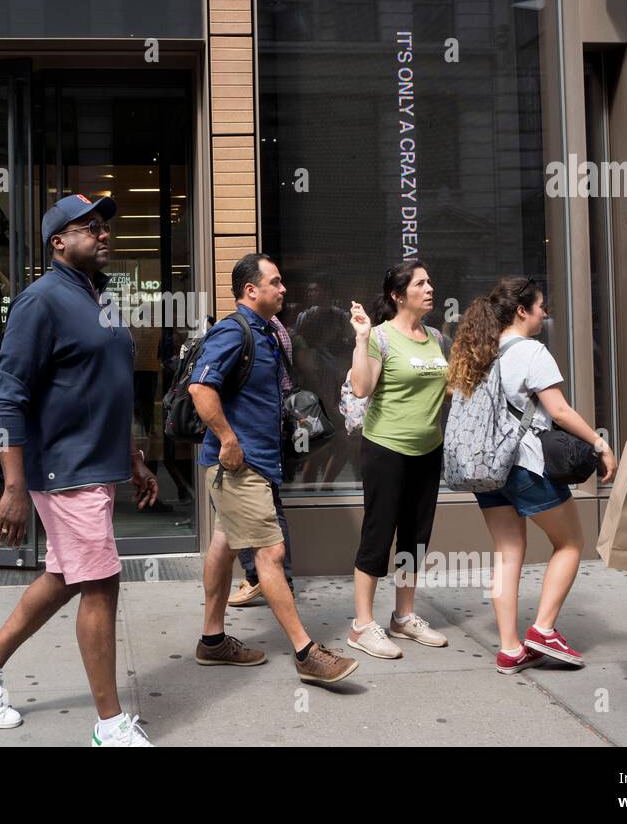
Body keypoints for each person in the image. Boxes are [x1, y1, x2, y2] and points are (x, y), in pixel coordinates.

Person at [0, 194, 160, 747]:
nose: (103, 233)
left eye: (105, 225)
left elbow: (108, 390)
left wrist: (133, 455)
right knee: (102, 582)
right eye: (89, 227)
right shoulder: (39, 302)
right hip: (66, 468)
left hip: (97, 463)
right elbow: (8, 398)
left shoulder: (101, 298)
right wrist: (13, 486)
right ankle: (110, 726)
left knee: (67, 576)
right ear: (58, 241)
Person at [191, 253, 358, 685]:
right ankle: (306, 652)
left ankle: (212, 642)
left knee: (225, 544)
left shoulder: (267, 332)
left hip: (257, 463)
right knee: (271, 552)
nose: (284, 289)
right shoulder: (233, 332)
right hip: (239, 463)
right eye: (276, 282)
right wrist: (228, 441)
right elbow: (200, 388)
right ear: (252, 290)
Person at [447, 277, 616, 675]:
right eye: (541, 306)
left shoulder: (478, 352)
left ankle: (509, 649)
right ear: (522, 311)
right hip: (525, 465)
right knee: (571, 542)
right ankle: (542, 629)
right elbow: (559, 411)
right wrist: (599, 443)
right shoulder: (531, 352)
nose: (546, 313)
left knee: (508, 554)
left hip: (487, 469)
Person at [345, 261, 449, 659]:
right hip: (386, 450)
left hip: (428, 450)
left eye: (429, 280)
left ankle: (403, 616)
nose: (429, 287)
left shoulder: (436, 338)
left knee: (415, 537)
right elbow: (360, 387)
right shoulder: (380, 338)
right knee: (378, 534)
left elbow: (448, 387)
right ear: (397, 294)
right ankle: (361, 625)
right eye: (420, 283)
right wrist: (360, 338)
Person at [229, 313, 296, 606]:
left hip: (256, 431)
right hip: (269, 428)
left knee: (255, 504)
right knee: (263, 504)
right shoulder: (274, 328)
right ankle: (277, 579)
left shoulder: (262, 329)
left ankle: (261, 578)